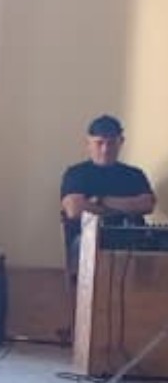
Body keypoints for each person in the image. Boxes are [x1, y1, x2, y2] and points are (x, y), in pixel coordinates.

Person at [60, 114, 155, 272]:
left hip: (132, 239)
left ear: (121, 142)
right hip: (88, 239)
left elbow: (147, 204)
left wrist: (100, 201)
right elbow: (74, 209)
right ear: (88, 143)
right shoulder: (76, 173)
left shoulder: (135, 174)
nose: (105, 150)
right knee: (87, 248)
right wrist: (126, 207)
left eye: (111, 143)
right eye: (99, 143)